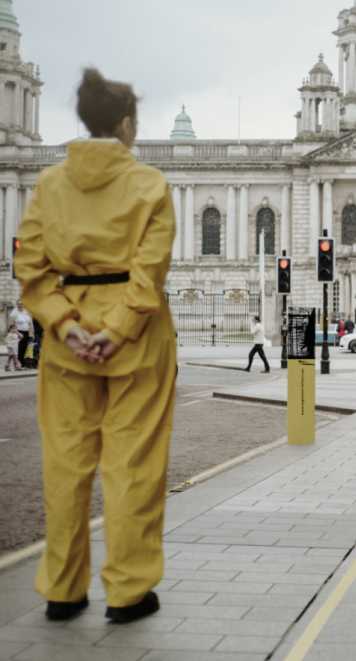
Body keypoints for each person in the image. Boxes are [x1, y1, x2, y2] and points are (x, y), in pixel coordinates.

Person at [14, 68, 177, 624]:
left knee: (64, 465)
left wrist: (65, 324)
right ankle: (128, 592)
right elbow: (149, 270)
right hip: (136, 341)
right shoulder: (149, 184)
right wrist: (116, 330)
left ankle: (62, 589)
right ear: (128, 124)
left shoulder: (48, 184)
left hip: (68, 340)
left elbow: (29, 267)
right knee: (132, 464)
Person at [10, 300, 33, 369]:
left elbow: (30, 324)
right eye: (18, 304)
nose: (19, 305)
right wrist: (18, 333)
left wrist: (32, 334)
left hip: (26, 332)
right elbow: (11, 325)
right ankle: (17, 365)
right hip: (18, 333)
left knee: (25, 349)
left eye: (21, 304)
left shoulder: (27, 312)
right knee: (18, 349)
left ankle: (23, 364)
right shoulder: (14, 312)